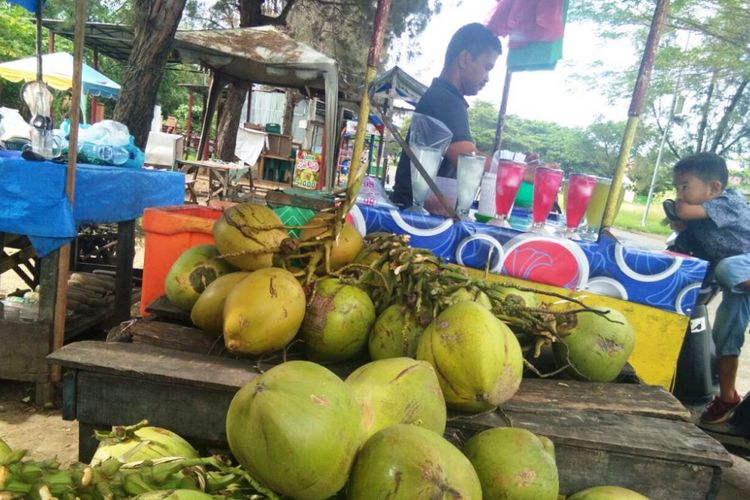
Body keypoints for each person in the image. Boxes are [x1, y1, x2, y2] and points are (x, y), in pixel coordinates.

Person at [670, 152, 750, 424]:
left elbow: (683, 211)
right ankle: (727, 396)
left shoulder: (729, 202)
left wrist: (678, 211)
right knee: (724, 336)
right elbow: (685, 246)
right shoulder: (700, 221)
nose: (680, 194)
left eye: (684, 187)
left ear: (714, 188)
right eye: (677, 188)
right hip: (739, 285)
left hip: (743, 267)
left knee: (727, 268)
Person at [391, 23, 502, 207]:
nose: (487, 78)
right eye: (487, 67)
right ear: (465, 59)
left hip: (421, 212)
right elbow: (468, 159)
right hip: (414, 217)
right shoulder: (444, 99)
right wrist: (520, 172)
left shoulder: (445, 97)